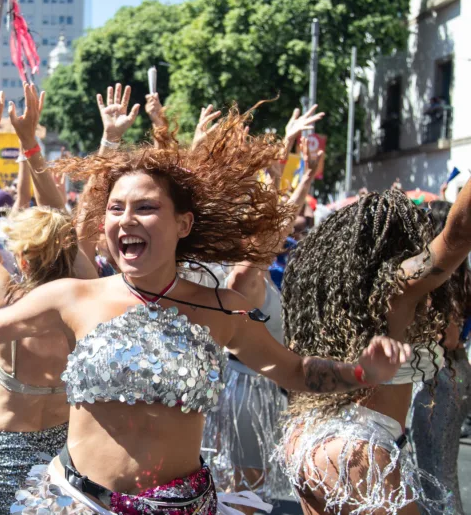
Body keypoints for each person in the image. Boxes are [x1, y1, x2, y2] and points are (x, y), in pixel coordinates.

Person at [0, 100, 411, 515]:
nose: (123, 221)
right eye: (114, 209)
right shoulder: (74, 296)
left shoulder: (218, 309)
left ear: (182, 223)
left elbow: (298, 372)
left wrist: (363, 374)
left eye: (143, 208)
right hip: (75, 501)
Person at [280, 186, 471, 514]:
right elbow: (456, 236)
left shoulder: (332, 294)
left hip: (311, 431)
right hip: (357, 450)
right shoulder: (398, 292)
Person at [0, 85, 95, 514]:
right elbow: (64, 228)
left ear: (20, 255)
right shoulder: (85, 296)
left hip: (7, 453)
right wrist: (31, 145)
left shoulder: (6, 302)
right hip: (68, 452)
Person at [201, 105, 324, 511]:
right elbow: (278, 219)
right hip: (246, 391)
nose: (278, 231)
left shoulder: (252, 271)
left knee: (245, 487)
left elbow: (278, 216)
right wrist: (288, 153)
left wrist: (301, 172)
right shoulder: (242, 277)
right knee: (247, 490)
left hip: (256, 387)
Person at [410, 200, 471, 512]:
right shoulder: (462, 278)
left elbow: (448, 338)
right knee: (438, 474)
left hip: (439, 381)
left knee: (433, 476)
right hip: (455, 377)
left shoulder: (436, 283)